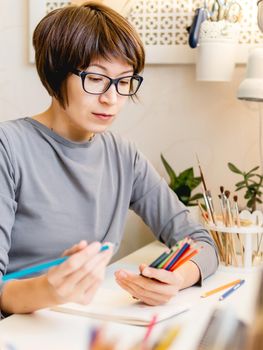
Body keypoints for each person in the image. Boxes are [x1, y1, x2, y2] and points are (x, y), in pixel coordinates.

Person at [0, 1, 218, 318]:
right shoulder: (8, 146)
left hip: (92, 328)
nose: (111, 99)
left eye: (124, 81)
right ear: (57, 72)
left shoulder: (123, 156)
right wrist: (50, 290)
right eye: (96, 78)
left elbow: (200, 242)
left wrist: (176, 279)